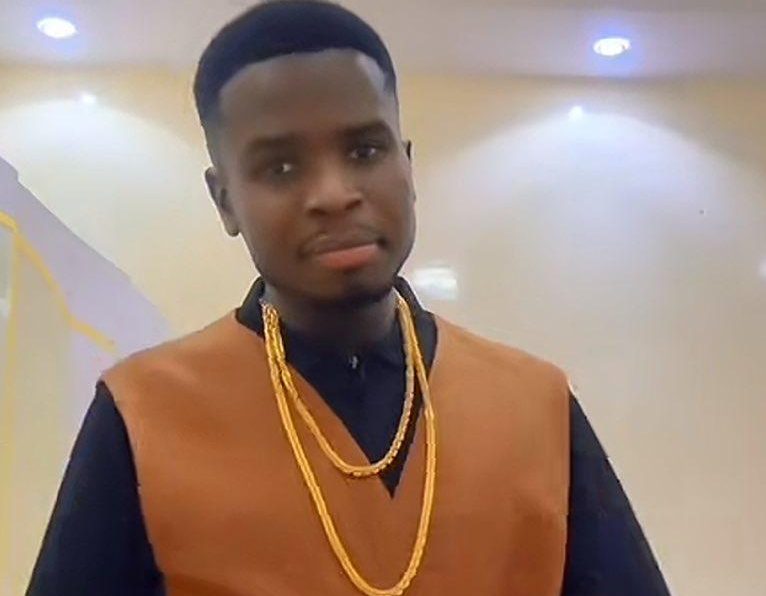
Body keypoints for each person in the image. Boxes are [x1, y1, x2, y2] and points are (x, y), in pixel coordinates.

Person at [27, 1, 670, 595]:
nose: (334, 194)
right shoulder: (145, 412)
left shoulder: (535, 405)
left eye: (365, 150)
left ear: (406, 166)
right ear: (225, 201)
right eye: (281, 167)